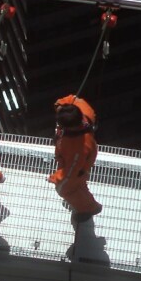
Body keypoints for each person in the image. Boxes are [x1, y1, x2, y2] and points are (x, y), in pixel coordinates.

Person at [48, 94, 102, 223]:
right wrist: (61, 106)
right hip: (77, 161)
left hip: (77, 165)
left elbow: (71, 172)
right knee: (79, 185)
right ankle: (89, 203)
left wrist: (56, 179)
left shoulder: (78, 148)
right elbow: (72, 99)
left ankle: (87, 208)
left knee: (68, 190)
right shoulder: (83, 111)